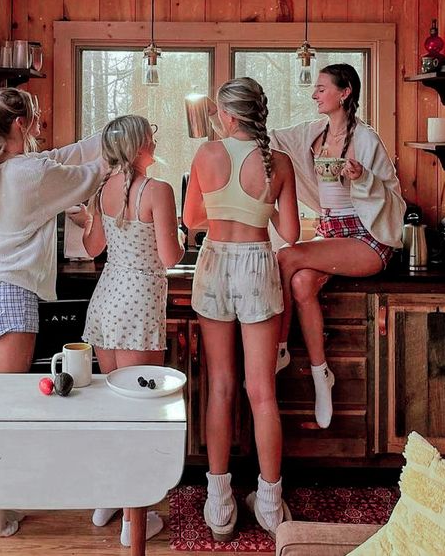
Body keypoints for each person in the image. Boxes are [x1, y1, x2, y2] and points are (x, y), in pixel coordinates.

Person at [0, 87, 103, 537]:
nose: (41, 124)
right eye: (36, 117)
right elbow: (85, 176)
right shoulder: (33, 172)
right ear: (21, 124)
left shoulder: (1, 166)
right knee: (8, 406)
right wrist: (121, 146)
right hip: (10, 290)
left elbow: (66, 157)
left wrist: (105, 133)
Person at [183, 77, 300, 542]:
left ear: (229, 116)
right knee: (262, 391)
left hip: (213, 264)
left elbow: (192, 221)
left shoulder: (206, 155)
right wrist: (263, 205)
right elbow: (290, 233)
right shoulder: (280, 163)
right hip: (256, 264)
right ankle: (270, 504)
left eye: (218, 113)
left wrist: (222, 207)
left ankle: (219, 504)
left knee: (221, 387)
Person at [269, 64, 405, 430]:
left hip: (366, 239)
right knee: (299, 284)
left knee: (285, 255)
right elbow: (272, 139)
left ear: (344, 93)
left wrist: (363, 178)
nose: (315, 95)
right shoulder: (313, 134)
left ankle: (279, 348)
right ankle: (320, 375)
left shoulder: (366, 139)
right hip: (331, 233)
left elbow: (394, 197)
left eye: (321, 88)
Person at [71, 115, 184, 547]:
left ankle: (107, 499)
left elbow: (92, 248)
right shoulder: (158, 191)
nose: (155, 141)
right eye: (151, 137)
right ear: (139, 147)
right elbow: (170, 258)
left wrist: (89, 222)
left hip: (106, 301)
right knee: (141, 416)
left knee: (111, 408)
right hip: (138, 303)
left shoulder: (103, 191)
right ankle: (132, 524)